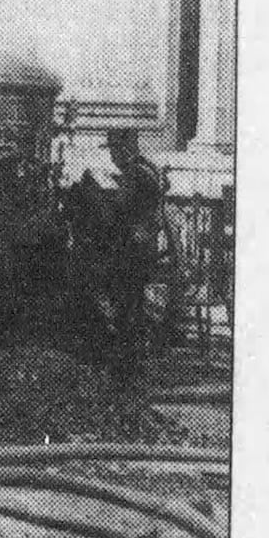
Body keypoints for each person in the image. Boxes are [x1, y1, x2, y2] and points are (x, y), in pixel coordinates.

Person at [103, 128, 164, 368]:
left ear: (123, 149)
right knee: (134, 301)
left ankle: (125, 359)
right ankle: (134, 352)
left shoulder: (133, 173)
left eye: (114, 151)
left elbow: (121, 208)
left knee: (125, 302)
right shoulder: (148, 169)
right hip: (145, 247)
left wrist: (104, 203)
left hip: (130, 250)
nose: (112, 157)